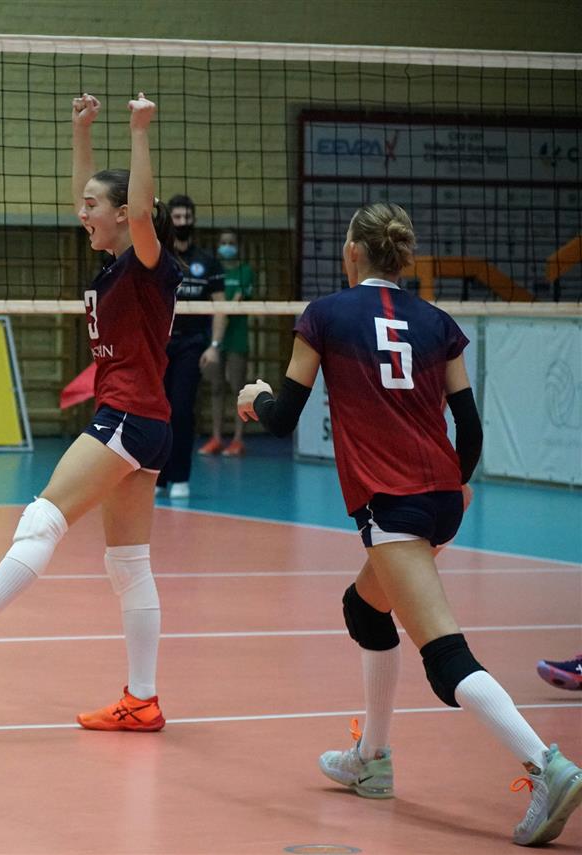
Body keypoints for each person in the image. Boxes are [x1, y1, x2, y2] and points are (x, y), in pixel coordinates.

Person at [237, 201, 582, 847]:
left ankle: (548, 766)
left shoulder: (324, 315)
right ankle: (371, 759)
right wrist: (458, 485)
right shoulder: (437, 322)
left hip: (392, 503)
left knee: (444, 656)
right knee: (365, 609)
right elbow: (470, 428)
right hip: (441, 495)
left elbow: (282, 419)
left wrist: (255, 398)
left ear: (352, 253)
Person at [0, 92, 183, 731]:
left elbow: (138, 209)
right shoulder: (114, 265)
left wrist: (138, 131)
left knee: (43, 517)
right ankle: (142, 699)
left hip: (129, 415)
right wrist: (81, 132)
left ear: (124, 214)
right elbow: (93, 196)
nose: (82, 212)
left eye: (94, 206)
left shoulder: (147, 263)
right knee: (127, 564)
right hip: (144, 421)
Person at [156, 194, 225, 499]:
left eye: (187, 217)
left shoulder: (208, 262)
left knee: (182, 410)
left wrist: (214, 345)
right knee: (157, 412)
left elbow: (221, 307)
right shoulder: (157, 257)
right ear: (169, 221)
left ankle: (180, 477)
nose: (182, 222)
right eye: (177, 217)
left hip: (192, 345)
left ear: (193, 220)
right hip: (160, 345)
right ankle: (158, 478)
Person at [198, 228, 253, 457]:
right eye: (223, 242)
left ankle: (238, 440)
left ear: (237, 246)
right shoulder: (214, 271)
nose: (227, 246)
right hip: (215, 338)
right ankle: (216, 438)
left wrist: (220, 320)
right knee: (216, 387)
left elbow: (234, 302)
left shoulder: (244, 271)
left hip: (236, 337)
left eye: (231, 242)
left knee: (238, 388)